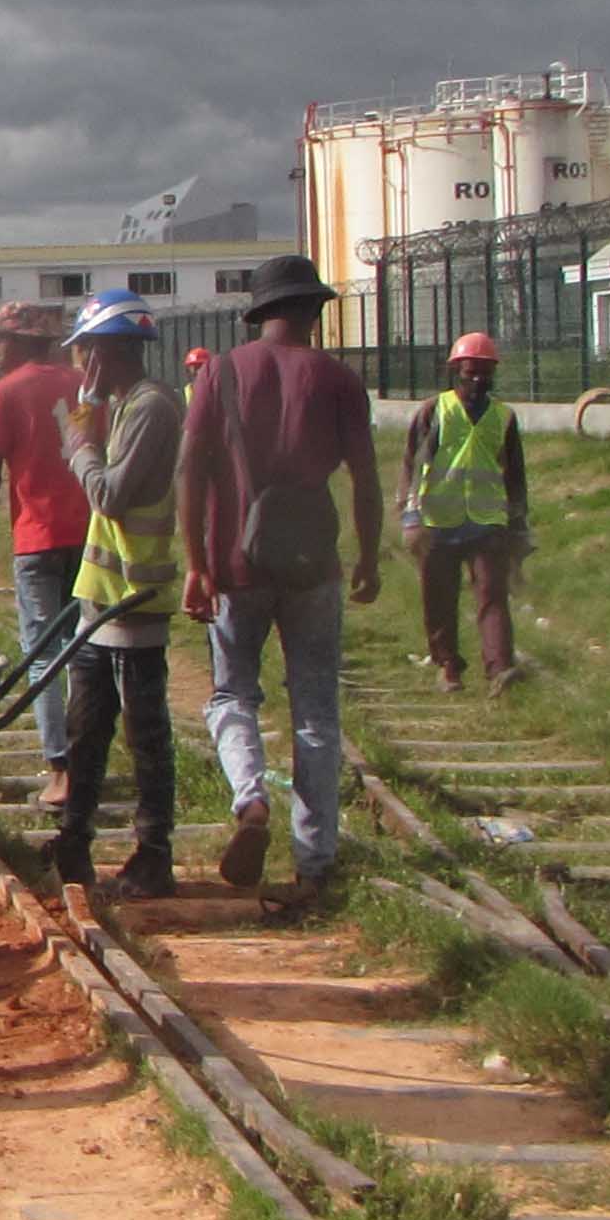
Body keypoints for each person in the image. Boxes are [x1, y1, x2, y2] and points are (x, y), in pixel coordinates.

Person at [176, 254, 381, 904]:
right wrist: (368, 557)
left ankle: (251, 800)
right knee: (316, 710)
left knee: (233, 694)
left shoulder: (222, 374)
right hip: (313, 564)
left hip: (238, 565)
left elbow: (191, 471)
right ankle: (315, 861)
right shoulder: (339, 380)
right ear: (315, 312)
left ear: (260, 313)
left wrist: (197, 563)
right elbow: (367, 480)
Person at [50, 292, 183, 895]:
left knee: (144, 732)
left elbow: (110, 495)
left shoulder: (153, 408)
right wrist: (90, 415)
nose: (79, 364)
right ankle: (73, 843)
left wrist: (78, 447)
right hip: (99, 600)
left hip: (133, 600)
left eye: (83, 351)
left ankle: (154, 852)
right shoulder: (126, 404)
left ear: (102, 351)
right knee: (87, 728)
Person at [0, 299, 92, 813]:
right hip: (90, 538)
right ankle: (92, 757)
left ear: (22, 342)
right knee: (87, 650)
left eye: (0, 341)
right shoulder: (84, 385)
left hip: (38, 539)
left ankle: (61, 768)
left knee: (43, 652)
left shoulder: (6, 392)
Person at [400, 330, 532, 692]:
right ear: (456, 371)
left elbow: (515, 475)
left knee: (492, 596)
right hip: (437, 522)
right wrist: (410, 517)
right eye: (471, 371)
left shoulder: (504, 418)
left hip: (487, 522)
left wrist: (519, 525)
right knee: (439, 599)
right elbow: (412, 466)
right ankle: (447, 666)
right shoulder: (433, 412)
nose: (478, 379)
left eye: (485, 372)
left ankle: (500, 668)